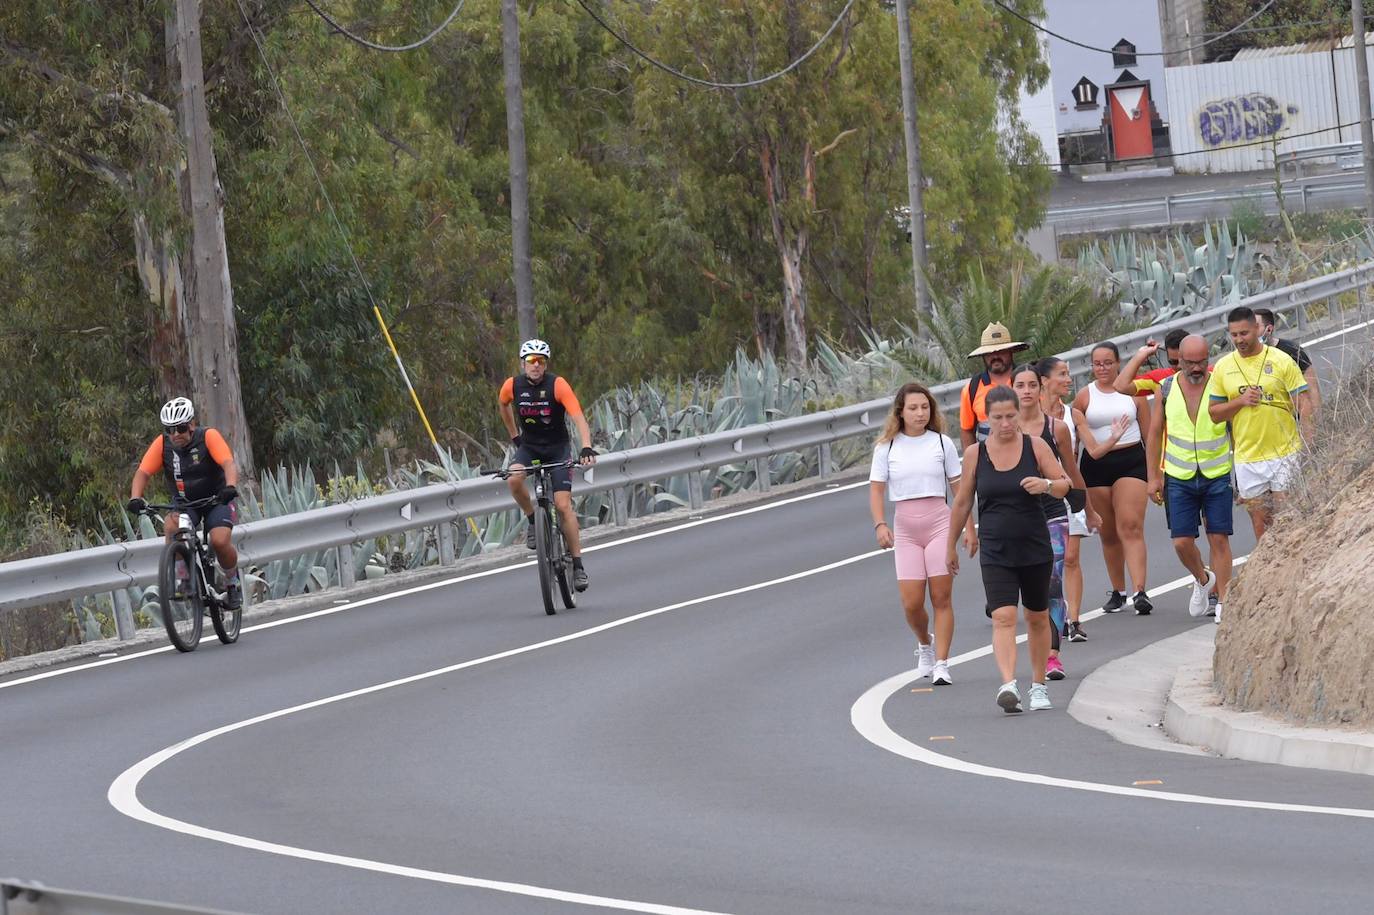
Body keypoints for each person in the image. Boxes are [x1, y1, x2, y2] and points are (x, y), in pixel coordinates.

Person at [947, 386, 1072, 713]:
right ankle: (1008, 684)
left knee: (1036, 616)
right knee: (1003, 616)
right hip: (995, 549)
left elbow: (1064, 485)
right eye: (998, 417)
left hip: (1034, 545)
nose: (1005, 424)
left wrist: (1045, 485)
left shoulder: (1035, 446)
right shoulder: (975, 454)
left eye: (1010, 416)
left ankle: (1039, 685)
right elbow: (962, 502)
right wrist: (951, 545)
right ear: (987, 418)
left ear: (1018, 414)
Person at [869, 382, 971, 686]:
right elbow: (876, 490)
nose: (920, 413)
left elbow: (959, 490)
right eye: (913, 408)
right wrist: (880, 524)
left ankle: (942, 663)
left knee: (941, 597)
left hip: (940, 523)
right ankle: (925, 642)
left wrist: (969, 527)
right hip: (906, 529)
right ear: (900, 412)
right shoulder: (886, 447)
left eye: (925, 407)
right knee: (912, 603)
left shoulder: (942, 443)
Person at [1144, 334, 1233, 623]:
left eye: (1202, 362)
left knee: (1218, 537)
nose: (1196, 368)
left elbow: (1234, 428)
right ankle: (1203, 578)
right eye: (1190, 362)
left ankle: (1224, 600)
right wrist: (1153, 477)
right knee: (1182, 542)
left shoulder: (1220, 384)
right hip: (1178, 475)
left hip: (1216, 474)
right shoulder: (1166, 388)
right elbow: (1155, 433)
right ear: (1179, 360)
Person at [498, 339, 598, 591]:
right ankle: (533, 521)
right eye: (531, 361)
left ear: (546, 364)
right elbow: (503, 405)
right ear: (523, 364)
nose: (536, 365)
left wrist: (586, 446)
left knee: (563, 506)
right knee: (513, 478)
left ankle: (578, 566)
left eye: (540, 361)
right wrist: (514, 436)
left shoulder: (557, 385)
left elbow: (578, 417)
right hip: (530, 448)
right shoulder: (512, 386)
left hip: (557, 449)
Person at [1013, 365, 1092, 680]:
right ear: (1012, 389)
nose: (1027, 391)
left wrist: (1087, 508)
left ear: (1041, 388)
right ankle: (1040, 642)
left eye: (1032, 385)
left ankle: (1052, 656)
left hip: (1053, 512)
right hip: (1017, 517)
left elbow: (1071, 472)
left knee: (1053, 583)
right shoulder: (1002, 428)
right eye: (1020, 385)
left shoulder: (1056, 428)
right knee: (1031, 587)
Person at [1208, 308, 1313, 540]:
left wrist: (1308, 445)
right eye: (1234, 335)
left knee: (1288, 517)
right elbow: (1214, 414)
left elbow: (1304, 405)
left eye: (1244, 333)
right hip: (1248, 458)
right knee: (1261, 524)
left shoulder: (1281, 360)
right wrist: (1240, 401)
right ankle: (1271, 563)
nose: (1239, 340)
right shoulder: (1223, 367)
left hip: (1285, 452)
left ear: (1257, 329)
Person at [126, 397, 242, 609]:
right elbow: (143, 472)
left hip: (217, 499)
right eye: (169, 430)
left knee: (219, 541)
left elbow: (228, 462)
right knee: (172, 527)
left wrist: (230, 486)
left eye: (180, 428)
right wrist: (135, 497)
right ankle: (184, 579)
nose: (175, 434)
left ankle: (232, 583)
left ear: (191, 425)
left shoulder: (208, 436)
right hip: (186, 503)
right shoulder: (163, 444)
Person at [1073, 342, 1153, 615]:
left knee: (1130, 525)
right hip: (1096, 466)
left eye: (1108, 362)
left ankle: (1140, 591)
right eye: (1097, 363)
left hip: (1131, 461)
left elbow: (1150, 434)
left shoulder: (1133, 391)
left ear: (1118, 363)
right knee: (1107, 532)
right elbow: (1074, 436)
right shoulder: (1084, 396)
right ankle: (1118, 591)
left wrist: (1156, 473)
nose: (1103, 368)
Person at [1037, 356, 1100, 642]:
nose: (1068, 379)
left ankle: (1074, 621)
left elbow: (1074, 467)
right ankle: (1054, 617)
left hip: (1068, 492)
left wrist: (1089, 509)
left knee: (1071, 558)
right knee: (1049, 564)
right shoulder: (1030, 416)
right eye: (1062, 374)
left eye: (1068, 373)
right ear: (1044, 381)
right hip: (1040, 497)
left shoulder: (1071, 416)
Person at [960, 322, 1030, 449]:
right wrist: (972, 458)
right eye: (989, 353)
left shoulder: (1028, 381)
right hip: (989, 456)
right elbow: (967, 430)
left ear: (1010, 352)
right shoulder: (971, 389)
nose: (995, 356)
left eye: (1001, 351)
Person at [1254, 307, 1321, 418]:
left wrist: (1317, 418)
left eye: (1255, 327)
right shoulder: (1243, 356)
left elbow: (1312, 387)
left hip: (1292, 418)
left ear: (1269, 329)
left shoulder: (1292, 350)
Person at [1112, 328, 1190, 398]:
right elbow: (1120, 386)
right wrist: (1141, 355)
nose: (1179, 366)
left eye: (1185, 361)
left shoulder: (1198, 374)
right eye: (1174, 362)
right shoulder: (1161, 379)